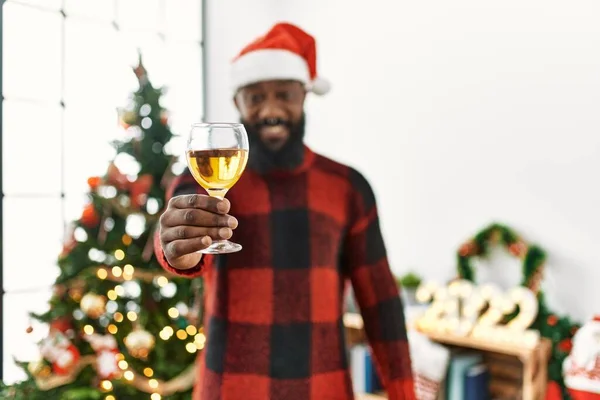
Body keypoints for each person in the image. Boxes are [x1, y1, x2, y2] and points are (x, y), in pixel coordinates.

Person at [155, 22, 415, 400]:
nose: (271, 110)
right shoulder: (204, 177)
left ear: (305, 96)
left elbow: (382, 305)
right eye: (256, 97)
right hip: (229, 389)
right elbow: (172, 240)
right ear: (237, 103)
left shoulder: (349, 187)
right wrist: (177, 249)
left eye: (284, 95)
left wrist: (404, 393)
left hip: (323, 390)